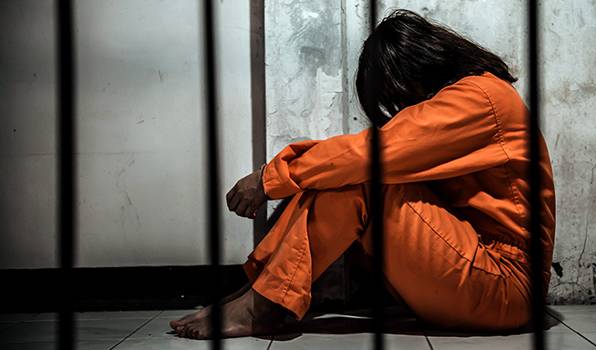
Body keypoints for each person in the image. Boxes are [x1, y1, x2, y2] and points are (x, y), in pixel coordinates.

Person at [170, 9, 555, 339]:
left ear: (417, 69)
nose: (401, 109)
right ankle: (259, 290)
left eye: (398, 96)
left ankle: (262, 305)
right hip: (478, 270)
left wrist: (269, 178)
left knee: (359, 175)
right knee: (342, 170)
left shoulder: (482, 98)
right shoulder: (470, 98)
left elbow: (367, 154)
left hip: (507, 285)